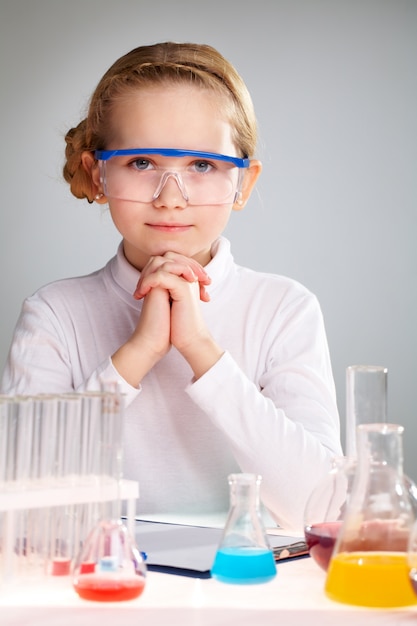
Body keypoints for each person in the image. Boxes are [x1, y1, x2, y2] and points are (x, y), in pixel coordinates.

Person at [1, 42, 342, 530]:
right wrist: (137, 353)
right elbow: (23, 507)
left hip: (251, 589)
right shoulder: (54, 313)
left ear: (242, 184)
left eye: (201, 166)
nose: (170, 199)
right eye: (141, 163)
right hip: (104, 591)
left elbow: (322, 510)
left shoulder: (284, 309)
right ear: (97, 174)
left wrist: (201, 349)